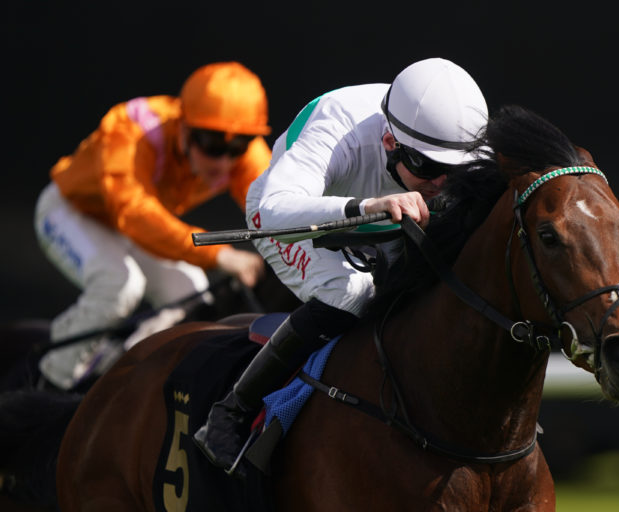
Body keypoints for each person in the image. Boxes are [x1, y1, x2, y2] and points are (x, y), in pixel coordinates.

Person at [193, 57, 489, 473]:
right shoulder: (338, 127)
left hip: (383, 222)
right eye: (428, 167)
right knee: (351, 293)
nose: (440, 183)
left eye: (452, 171)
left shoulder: (456, 134)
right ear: (389, 141)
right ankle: (231, 414)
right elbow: (277, 208)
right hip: (289, 220)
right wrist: (369, 206)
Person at [35, 62, 271, 390]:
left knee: (192, 296)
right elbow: (133, 214)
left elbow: (276, 210)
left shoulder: (241, 154)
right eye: (212, 144)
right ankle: (47, 386)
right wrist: (220, 254)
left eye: (238, 147)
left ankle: (119, 384)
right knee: (119, 286)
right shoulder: (132, 129)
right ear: (185, 128)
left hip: (135, 228)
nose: (224, 162)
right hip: (72, 212)